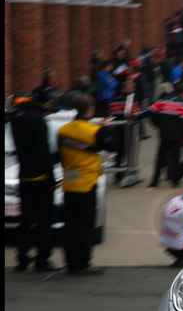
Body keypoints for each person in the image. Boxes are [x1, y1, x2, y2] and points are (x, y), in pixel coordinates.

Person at [57, 94, 117, 275]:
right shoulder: (94, 131)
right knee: (85, 226)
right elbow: (112, 146)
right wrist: (106, 129)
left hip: (69, 183)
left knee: (70, 226)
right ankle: (83, 264)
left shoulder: (63, 130)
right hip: (87, 184)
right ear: (90, 110)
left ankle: (70, 262)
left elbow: (60, 156)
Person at [9, 86, 64, 272]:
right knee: (43, 221)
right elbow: (42, 152)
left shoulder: (17, 117)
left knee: (25, 219)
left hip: (24, 175)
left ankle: (22, 259)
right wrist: (51, 178)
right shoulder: (38, 121)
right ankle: (42, 259)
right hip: (40, 178)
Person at [147, 82, 183, 189]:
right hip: (176, 135)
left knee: (160, 158)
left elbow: (153, 115)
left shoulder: (163, 101)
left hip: (164, 134)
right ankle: (175, 181)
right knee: (176, 158)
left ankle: (155, 180)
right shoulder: (182, 103)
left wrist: (159, 126)